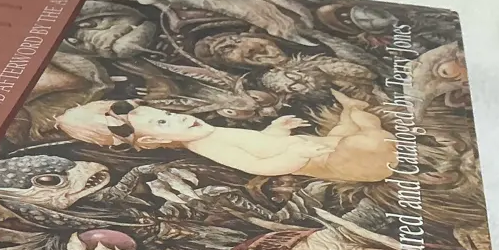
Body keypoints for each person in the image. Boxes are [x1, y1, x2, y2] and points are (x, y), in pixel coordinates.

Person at [71, 93, 397, 182]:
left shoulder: (211, 132)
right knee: (359, 142)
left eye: (166, 112)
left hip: (324, 147)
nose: (177, 117)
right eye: (163, 122)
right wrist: (296, 154)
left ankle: (355, 113)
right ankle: (370, 132)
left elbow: (258, 144)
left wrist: (277, 129)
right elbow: (258, 166)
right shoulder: (206, 145)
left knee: (345, 127)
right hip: (331, 163)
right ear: (153, 143)